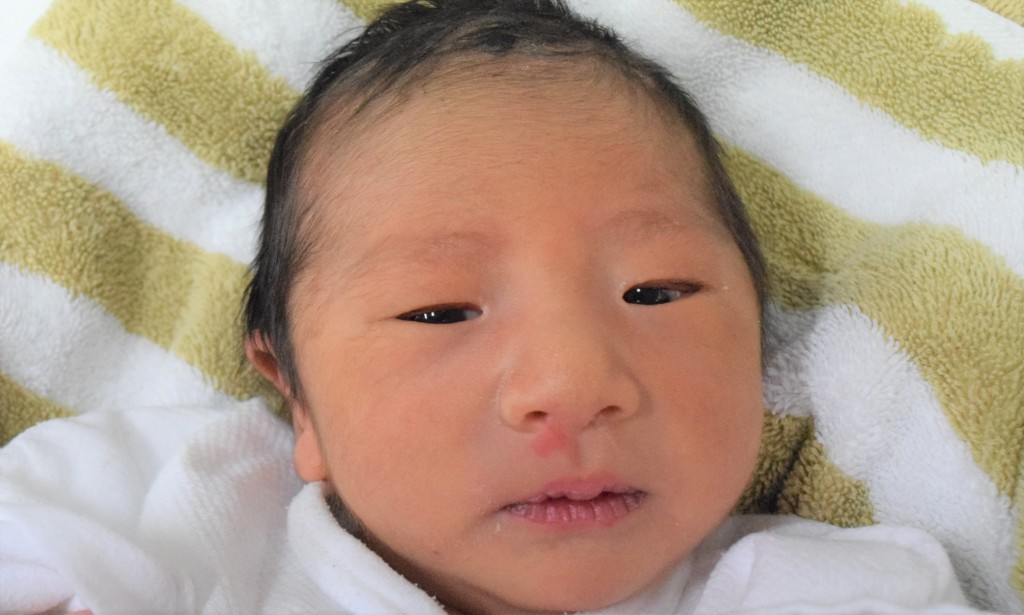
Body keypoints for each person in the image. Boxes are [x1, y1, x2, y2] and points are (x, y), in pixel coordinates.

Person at [0, 1, 982, 613]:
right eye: (439, 312)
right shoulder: (178, 504)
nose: (571, 383)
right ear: (295, 397)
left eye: (656, 292)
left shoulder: (832, 593)